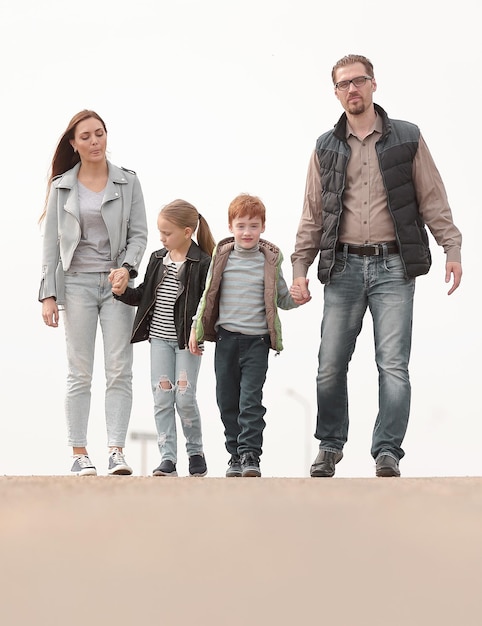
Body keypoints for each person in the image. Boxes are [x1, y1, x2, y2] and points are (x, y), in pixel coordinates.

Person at [291, 54, 462, 479]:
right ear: (335, 92)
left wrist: (451, 247)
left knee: (393, 365)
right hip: (343, 267)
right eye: (344, 83)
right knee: (330, 363)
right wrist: (300, 266)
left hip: (393, 267)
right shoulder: (325, 146)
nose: (353, 89)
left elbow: (432, 197)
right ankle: (329, 446)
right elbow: (314, 212)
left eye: (359, 81)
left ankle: (387, 450)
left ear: (373, 85)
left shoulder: (407, 137)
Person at [39, 109, 148, 476]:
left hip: (116, 285)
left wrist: (127, 269)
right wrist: (48, 294)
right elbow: (51, 245)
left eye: (99, 134)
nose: (94, 141)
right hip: (76, 285)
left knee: (120, 369)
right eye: (85, 136)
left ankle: (116, 451)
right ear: (74, 143)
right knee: (79, 372)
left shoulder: (128, 182)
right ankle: (80, 452)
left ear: (106, 136)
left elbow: (139, 235)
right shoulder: (62, 186)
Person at [189, 193, 301, 478]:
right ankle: (234, 456)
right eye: (241, 225)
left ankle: (251, 453)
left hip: (257, 343)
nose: (247, 232)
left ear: (263, 227)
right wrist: (197, 328)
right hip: (226, 340)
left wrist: (298, 298)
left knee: (250, 400)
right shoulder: (222, 256)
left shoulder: (270, 261)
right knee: (227, 400)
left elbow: (282, 299)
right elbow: (208, 295)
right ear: (230, 227)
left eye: (253, 225)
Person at [110, 200, 215, 477]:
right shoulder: (158, 259)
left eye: (167, 233)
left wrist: (198, 330)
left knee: (184, 397)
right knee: (162, 398)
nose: (162, 238)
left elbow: (207, 304)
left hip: (187, 342)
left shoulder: (203, 262)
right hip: (158, 339)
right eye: (160, 232)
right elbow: (144, 295)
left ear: (187, 231)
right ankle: (167, 458)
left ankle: (195, 451)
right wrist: (121, 291)